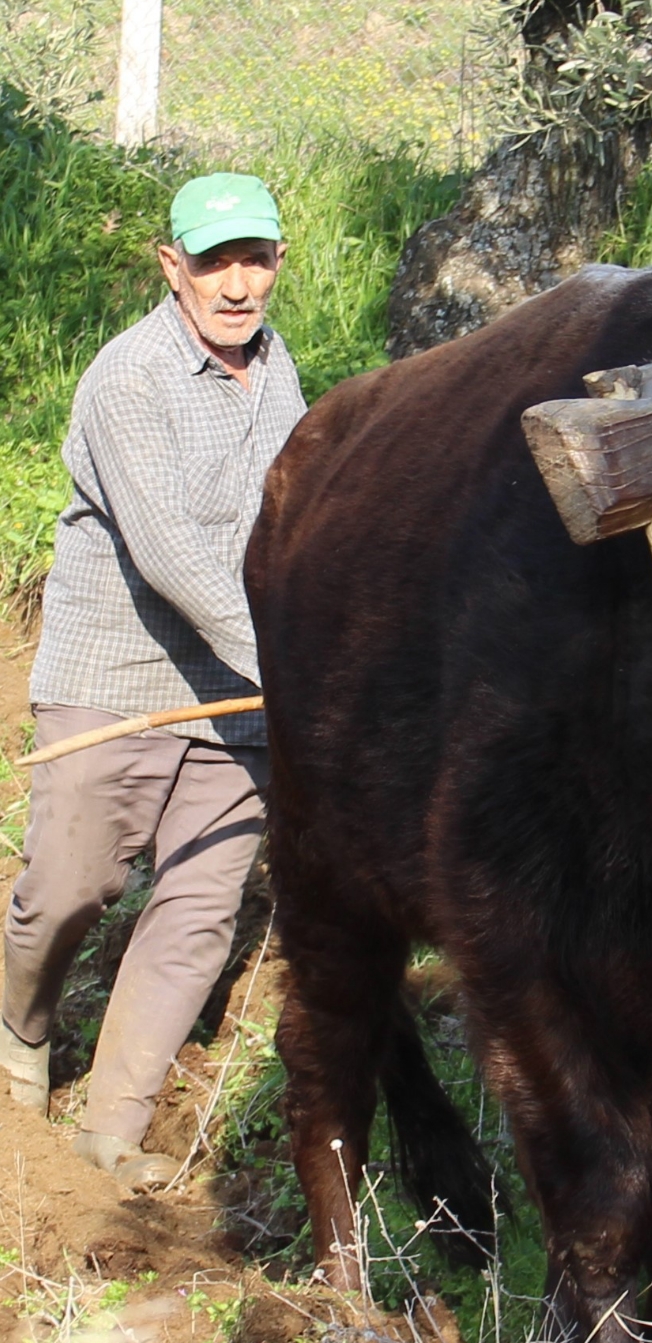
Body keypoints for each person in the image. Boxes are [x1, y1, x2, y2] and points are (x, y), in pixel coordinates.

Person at [0, 174, 303, 1190]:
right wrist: (287, 663)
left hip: (238, 698)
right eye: (214, 262)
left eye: (254, 259)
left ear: (279, 262)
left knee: (200, 908)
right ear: (172, 267)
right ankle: (20, 1028)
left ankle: (113, 1133)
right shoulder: (129, 377)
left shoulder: (280, 372)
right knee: (71, 884)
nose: (237, 284)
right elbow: (170, 550)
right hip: (118, 674)